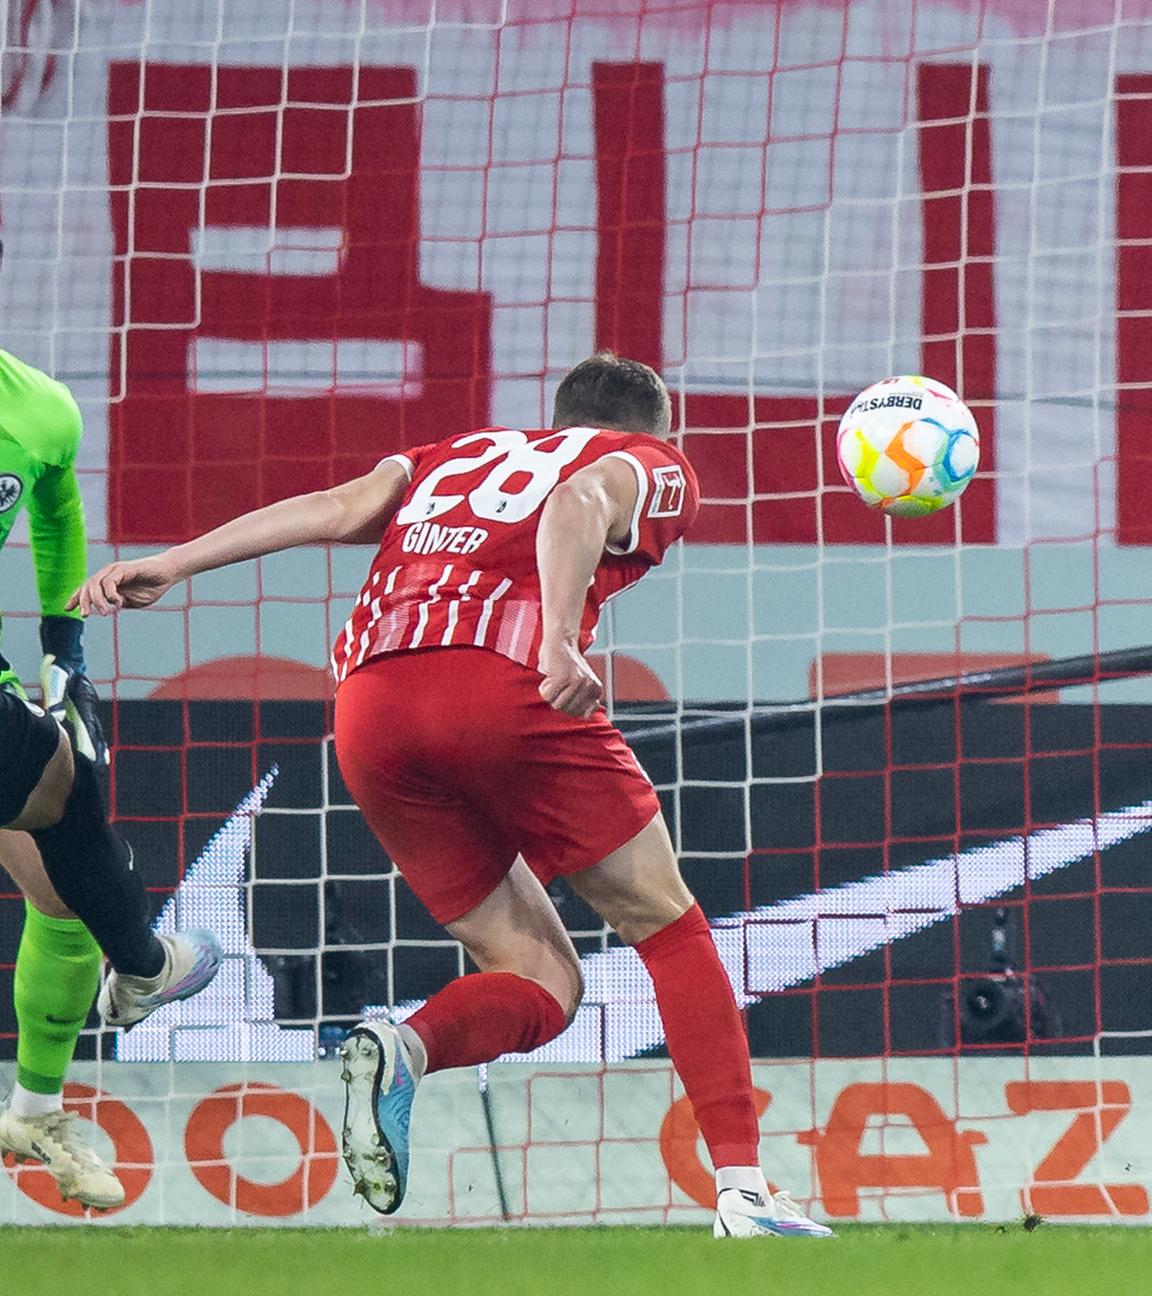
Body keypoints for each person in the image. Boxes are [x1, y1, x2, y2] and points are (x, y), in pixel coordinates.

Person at [72, 352, 832, 1239]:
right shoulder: (652, 465)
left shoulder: (451, 454)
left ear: (553, 414)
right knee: (667, 924)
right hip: (502, 679)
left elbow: (332, 509)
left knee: (541, 978)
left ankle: (406, 1047)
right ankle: (744, 1190)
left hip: (369, 707)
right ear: (651, 430)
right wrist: (558, 639)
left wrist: (176, 561)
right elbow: (579, 503)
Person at [0, 274, 221, 1207]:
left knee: (58, 868)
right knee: (62, 788)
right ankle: (144, 964)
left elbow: (54, 506)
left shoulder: (39, 411)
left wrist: (64, 643)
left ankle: (35, 1105)